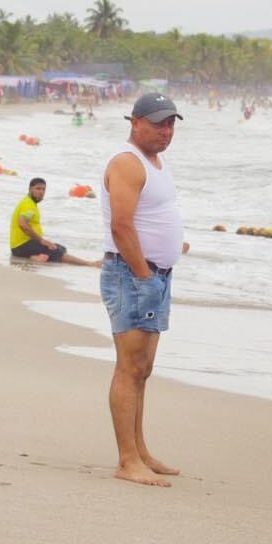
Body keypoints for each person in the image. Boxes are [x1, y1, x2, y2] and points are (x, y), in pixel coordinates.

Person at [98, 93, 189, 488]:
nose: (165, 131)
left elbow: (152, 215)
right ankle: (126, 460)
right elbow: (121, 226)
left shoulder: (155, 162)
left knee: (143, 369)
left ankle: (140, 450)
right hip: (133, 276)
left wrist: (171, 250)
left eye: (170, 124)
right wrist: (144, 274)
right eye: (157, 124)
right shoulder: (127, 162)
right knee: (129, 367)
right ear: (135, 122)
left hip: (154, 275)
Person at [9, 178, 98, 266]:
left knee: (61, 248)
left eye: (43, 189)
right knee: (56, 250)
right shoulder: (28, 204)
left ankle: (34, 257)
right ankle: (89, 264)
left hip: (20, 247)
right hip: (22, 246)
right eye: (38, 188)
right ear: (30, 189)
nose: (41, 192)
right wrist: (42, 241)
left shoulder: (29, 202)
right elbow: (22, 224)